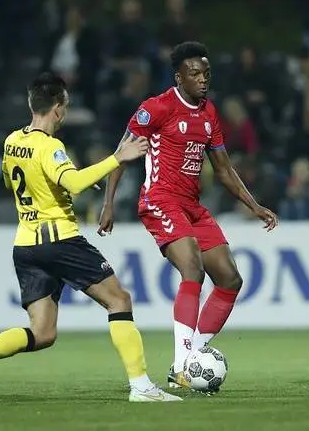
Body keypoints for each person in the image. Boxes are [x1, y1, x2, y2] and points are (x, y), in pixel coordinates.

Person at [0, 72, 181, 403]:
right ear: (58, 108)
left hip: (26, 245)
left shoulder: (12, 141)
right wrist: (118, 157)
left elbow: (13, 181)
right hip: (59, 241)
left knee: (43, 333)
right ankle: (142, 386)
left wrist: (65, 182)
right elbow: (73, 184)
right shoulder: (51, 146)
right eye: (65, 107)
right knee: (119, 300)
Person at [98, 41, 279, 391]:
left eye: (206, 73)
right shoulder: (157, 108)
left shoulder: (209, 113)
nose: (202, 79)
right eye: (194, 73)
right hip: (160, 200)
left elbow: (223, 169)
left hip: (192, 205)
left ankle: (192, 355)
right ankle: (183, 364)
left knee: (230, 279)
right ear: (178, 77)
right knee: (192, 268)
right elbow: (122, 153)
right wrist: (109, 203)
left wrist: (253, 205)